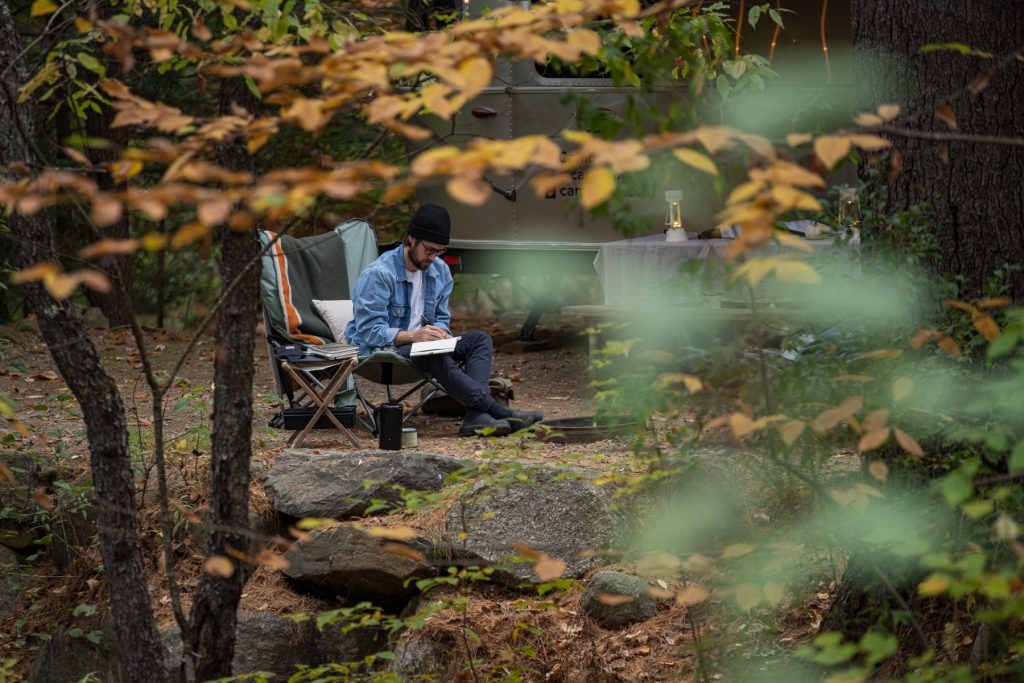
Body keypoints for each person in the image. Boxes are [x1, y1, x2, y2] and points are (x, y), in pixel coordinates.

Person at [345, 204, 544, 437]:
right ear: (411, 238)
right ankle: (500, 412)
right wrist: (415, 336)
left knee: (480, 340)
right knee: (432, 353)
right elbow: (369, 331)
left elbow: (440, 317)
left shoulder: (439, 270)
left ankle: (475, 417)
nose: (433, 257)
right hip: (384, 350)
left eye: (439, 251)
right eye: (429, 250)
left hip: (423, 347)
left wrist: (441, 333)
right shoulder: (379, 274)